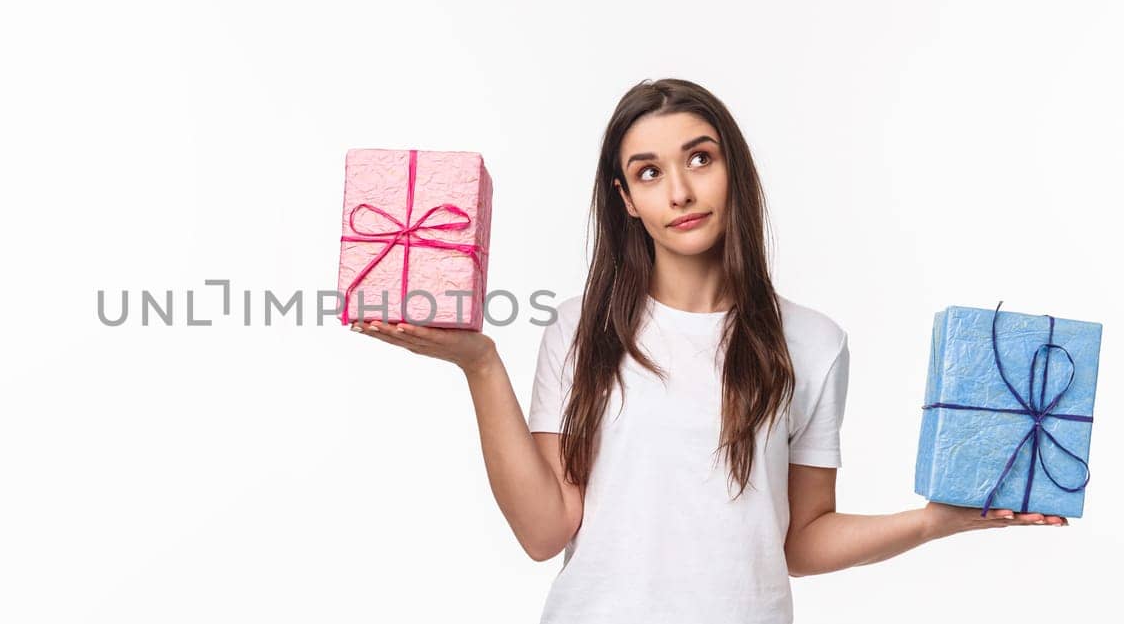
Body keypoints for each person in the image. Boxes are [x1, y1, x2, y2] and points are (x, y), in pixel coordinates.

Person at [349, 78, 1066, 624]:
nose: (683, 191)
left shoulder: (814, 342)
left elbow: (799, 539)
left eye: (700, 158)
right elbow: (544, 532)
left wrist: (936, 521)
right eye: (650, 171)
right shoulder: (577, 329)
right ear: (626, 198)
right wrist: (480, 364)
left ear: (734, 169)